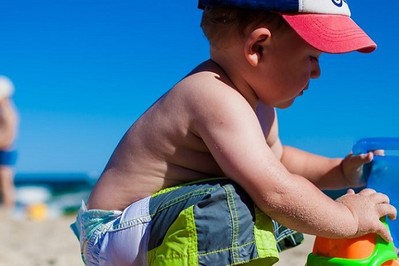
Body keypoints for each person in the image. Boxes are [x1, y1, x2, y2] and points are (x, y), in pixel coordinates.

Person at [71, 0, 397, 265]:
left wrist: (339, 170)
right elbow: (277, 191)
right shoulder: (213, 95)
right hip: (113, 233)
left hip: (156, 231)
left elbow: (279, 160)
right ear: (258, 47)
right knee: (239, 201)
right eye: (311, 57)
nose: (317, 71)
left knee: (260, 190)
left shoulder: (258, 105)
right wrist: (348, 218)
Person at [0, 76, 18, 209]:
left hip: (5, 149)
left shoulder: (7, 111)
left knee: (5, 179)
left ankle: (8, 207)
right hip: (5, 148)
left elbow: (10, 134)